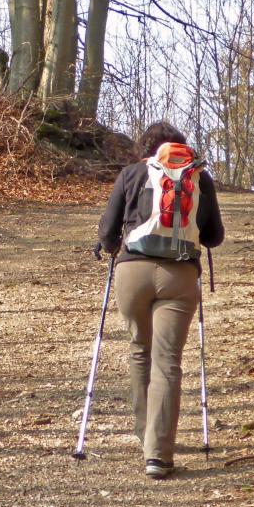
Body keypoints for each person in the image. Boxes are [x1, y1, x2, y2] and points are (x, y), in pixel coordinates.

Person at [95, 121, 224, 479]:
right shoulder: (199, 178)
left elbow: (108, 233)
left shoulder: (133, 173)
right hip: (179, 274)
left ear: (147, 149)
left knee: (140, 349)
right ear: (179, 149)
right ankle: (158, 453)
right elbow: (214, 237)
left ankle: (144, 435)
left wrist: (107, 246)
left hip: (133, 272)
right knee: (167, 361)